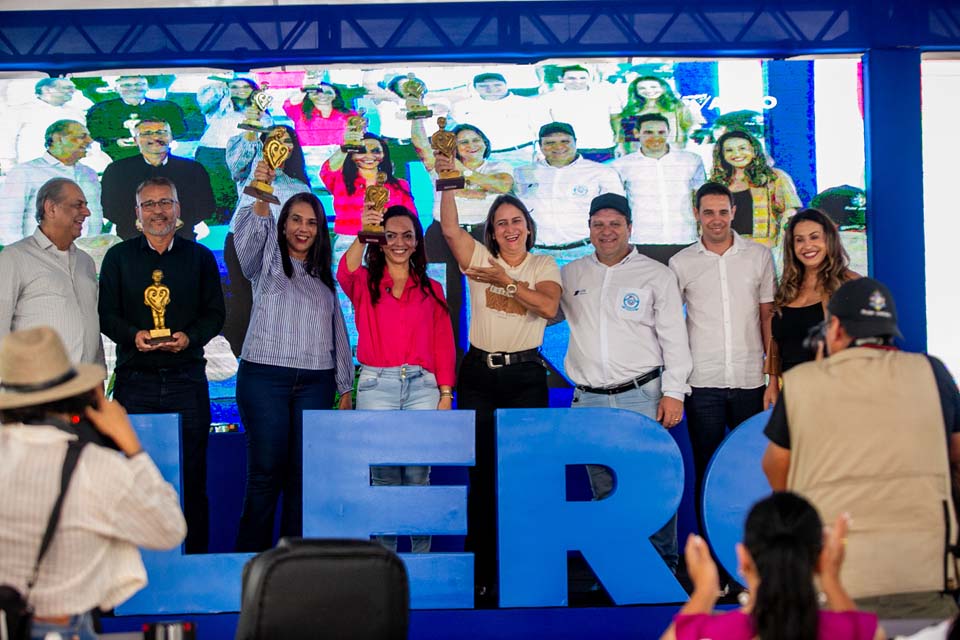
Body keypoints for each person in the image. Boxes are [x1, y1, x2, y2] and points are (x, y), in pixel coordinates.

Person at [762, 277, 960, 619]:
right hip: (924, 580)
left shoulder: (803, 383)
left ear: (835, 327)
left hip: (837, 585)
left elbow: (775, 465)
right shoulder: (934, 373)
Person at [0, 326, 186, 640]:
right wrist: (131, 446)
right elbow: (168, 530)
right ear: (73, 397)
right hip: (61, 629)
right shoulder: (94, 468)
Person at [437, 153, 561, 606]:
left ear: (528, 227)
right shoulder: (481, 259)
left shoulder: (544, 265)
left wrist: (504, 282)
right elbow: (450, 230)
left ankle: (525, 574)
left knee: (524, 477)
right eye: (501, 223)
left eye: (516, 221)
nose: (510, 229)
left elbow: (547, 308)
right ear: (491, 232)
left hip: (526, 375)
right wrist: (447, 181)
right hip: (479, 376)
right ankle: (483, 577)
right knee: (483, 478)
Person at [560, 192, 692, 573]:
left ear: (629, 228)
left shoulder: (656, 274)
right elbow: (541, 311)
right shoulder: (572, 274)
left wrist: (674, 392)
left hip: (643, 397)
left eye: (615, 224)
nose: (606, 231)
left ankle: (662, 571)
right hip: (590, 402)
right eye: (598, 224)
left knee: (651, 487)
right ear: (588, 229)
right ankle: (618, 571)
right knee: (604, 492)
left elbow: (674, 339)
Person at [98, 176, 225, 554]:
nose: (158, 211)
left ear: (178, 209)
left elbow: (215, 314)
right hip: (135, 383)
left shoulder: (200, 258)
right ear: (137, 214)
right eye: (149, 205)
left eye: (165, 202)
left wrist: (189, 337)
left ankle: (195, 561)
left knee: (191, 478)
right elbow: (107, 315)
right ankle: (138, 567)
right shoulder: (118, 258)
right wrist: (133, 335)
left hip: (186, 380)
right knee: (134, 478)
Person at [232, 182, 353, 552]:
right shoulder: (264, 262)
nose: (303, 228)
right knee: (266, 473)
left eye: (312, 222)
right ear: (283, 224)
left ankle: (293, 569)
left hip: (316, 383)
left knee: (304, 479)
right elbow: (247, 234)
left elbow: (338, 332)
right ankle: (249, 568)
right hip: (264, 378)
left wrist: (346, 387)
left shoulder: (324, 276)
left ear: (320, 230)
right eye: (296, 220)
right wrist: (259, 192)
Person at [338, 204, 456, 553]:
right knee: (384, 477)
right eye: (390, 236)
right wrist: (365, 232)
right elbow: (345, 271)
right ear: (380, 241)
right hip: (377, 386)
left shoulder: (432, 288)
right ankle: (385, 564)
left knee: (418, 477)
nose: (400, 243)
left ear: (418, 242)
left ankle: (422, 564)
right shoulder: (364, 283)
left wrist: (446, 393)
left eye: (408, 236)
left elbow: (443, 343)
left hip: (423, 387)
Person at [669, 182, 775, 501]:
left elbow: (767, 316)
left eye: (723, 212)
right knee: (708, 470)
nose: (717, 219)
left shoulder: (759, 256)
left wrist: (772, 378)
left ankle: (750, 546)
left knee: (754, 467)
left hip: (751, 381)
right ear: (696, 214)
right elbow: (672, 327)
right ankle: (712, 550)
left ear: (734, 212)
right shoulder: (681, 262)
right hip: (702, 384)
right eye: (709, 212)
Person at [659, 492, 883, 640]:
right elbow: (860, 631)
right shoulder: (859, 630)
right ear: (819, 559)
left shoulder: (702, 634)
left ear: (743, 559)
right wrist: (831, 579)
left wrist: (705, 591)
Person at [411, 118, 513, 357]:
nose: (471, 145)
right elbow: (419, 142)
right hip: (441, 235)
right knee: (446, 298)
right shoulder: (439, 166)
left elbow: (501, 186)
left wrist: (461, 170)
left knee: (490, 297)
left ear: (486, 143)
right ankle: (450, 358)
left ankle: (492, 354)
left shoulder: (500, 164)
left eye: (476, 140)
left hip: (483, 235)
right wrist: (416, 113)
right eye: (463, 141)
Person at [222, 125, 311, 357]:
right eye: (273, 139)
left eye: (287, 140)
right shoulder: (250, 173)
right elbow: (236, 160)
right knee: (244, 299)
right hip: (242, 240)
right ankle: (244, 354)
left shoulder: (299, 186)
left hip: (282, 246)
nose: (281, 144)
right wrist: (252, 124)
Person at [0, 177, 104, 365]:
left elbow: (91, 326)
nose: (87, 212)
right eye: (78, 205)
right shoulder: (13, 257)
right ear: (51, 208)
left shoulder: (86, 262)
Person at [767, 209, 859, 397]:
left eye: (814, 237)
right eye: (799, 240)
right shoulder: (788, 288)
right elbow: (779, 342)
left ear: (829, 240)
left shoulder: (850, 284)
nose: (807, 246)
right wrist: (773, 382)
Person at [513, 122, 623, 255]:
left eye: (565, 141)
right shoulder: (522, 172)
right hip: (536, 253)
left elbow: (616, 213)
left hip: (585, 250)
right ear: (540, 146)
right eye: (550, 142)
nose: (558, 147)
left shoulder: (600, 172)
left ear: (576, 142)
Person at [612, 113, 706, 263]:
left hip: (685, 237)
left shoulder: (691, 160)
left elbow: (700, 198)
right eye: (648, 132)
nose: (655, 137)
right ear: (637, 133)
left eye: (661, 132)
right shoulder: (621, 165)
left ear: (669, 133)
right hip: (642, 240)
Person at [100, 118, 215, 240]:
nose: (155, 138)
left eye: (161, 132)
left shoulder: (193, 169)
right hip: (133, 238)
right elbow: (110, 208)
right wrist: (136, 222)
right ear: (135, 140)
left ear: (171, 138)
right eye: (147, 133)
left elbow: (206, 206)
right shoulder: (117, 170)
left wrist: (180, 221)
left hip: (181, 237)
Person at [0, 120, 103, 245]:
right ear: (58, 139)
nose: (90, 141)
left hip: (83, 254)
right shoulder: (25, 171)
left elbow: (95, 215)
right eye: (82, 137)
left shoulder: (89, 173)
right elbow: (8, 222)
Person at [195, 76, 272, 221]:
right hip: (213, 153)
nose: (240, 90)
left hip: (244, 154)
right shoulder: (218, 107)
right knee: (216, 192)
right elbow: (205, 95)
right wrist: (223, 80)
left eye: (245, 87)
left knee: (241, 193)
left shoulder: (261, 111)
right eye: (234, 87)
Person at [709, 130, 801, 249]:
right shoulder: (716, 184)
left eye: (742, 148)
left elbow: (789, 211)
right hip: (727, 251)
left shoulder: (775, 177)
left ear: (754, 151)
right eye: (729, 150)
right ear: (722, 155)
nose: (737, 154)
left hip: (765, 249)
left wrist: (781, 245)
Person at [320, 132, 415, 243]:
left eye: (375, 151)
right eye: (362, 151)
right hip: (348, 243)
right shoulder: (340, 181)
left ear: (384, 155)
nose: (369, 156)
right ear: (351, 156)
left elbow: (411, 218)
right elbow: (326, 171)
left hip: (389, 243)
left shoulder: (399, 185)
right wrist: (347, 146)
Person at [450, 72, 549, 166]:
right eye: (483, 86)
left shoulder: (528, 104)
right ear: (475, 88)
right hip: (484, 158)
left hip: (523, 154)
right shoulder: (462, 107)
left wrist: (542, 153)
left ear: (506, 85)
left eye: (497, 85)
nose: (491, 89)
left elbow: (544, 131)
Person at [0, 77, 94, 174]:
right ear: (47, 89)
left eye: (73, 88)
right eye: (67, 88)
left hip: (74, 170)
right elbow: (6, 141)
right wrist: (10, 168)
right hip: (32, 171)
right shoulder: (19, 111)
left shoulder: (76, 112)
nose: (73, 91)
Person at [86, 75, 189, 161]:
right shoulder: (101, 109)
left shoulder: (168, 107)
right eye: (126, 85)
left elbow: (180, 130)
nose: (134, 88)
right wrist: (116, 140)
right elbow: (95, 132)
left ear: (147, 87)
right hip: (116, 158)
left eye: (139, 84)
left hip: (159, 158)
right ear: (116, 89)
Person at [536, 65, 622, 162]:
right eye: (571, 78)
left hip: (603, 145)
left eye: (582, 78)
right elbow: (543, 126)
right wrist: (541, 151)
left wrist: (619, 142)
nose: (578, 81)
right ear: (561, 79)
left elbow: (616, 119)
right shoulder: (548, 99)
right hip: (565, 149)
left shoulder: (606, 95)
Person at [615, 75, 698, 155]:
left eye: (653, 87)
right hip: (640, 154)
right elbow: (627, 135)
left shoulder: (675, 107)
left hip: (671, 152)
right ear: (636, 91)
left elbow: (687, 127)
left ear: (663, 88)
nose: (649, 91)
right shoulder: (633, 110)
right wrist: (621, 147)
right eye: (642, 88)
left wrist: (681, 148)